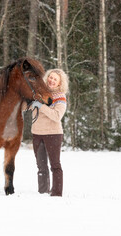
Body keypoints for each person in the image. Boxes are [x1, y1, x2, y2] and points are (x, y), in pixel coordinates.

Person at [30, 69, 69, 197]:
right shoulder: (39, 93)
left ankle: (56, 194)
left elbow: (57, 116)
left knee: (55, 165)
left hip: (53, 134)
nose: (51, 80)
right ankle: (42, 193)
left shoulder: (60, 97)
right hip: (37, 133)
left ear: (59, 83)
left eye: (55, 79)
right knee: (41, 166)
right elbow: (28, 107)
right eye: (50, 77)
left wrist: (41, 106)